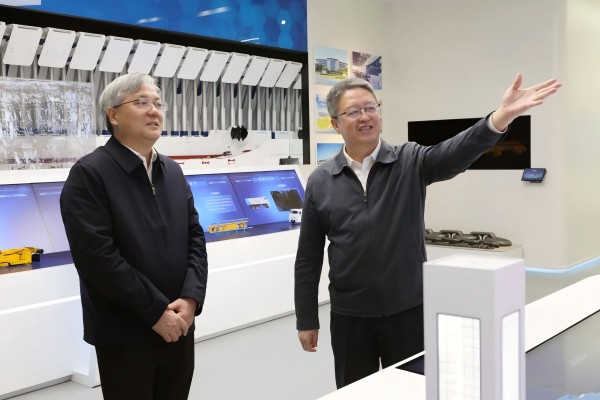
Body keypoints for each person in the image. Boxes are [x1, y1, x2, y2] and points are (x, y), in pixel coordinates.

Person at [294, 74, 561, 388]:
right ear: (335, 124)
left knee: (414, 390)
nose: (365, 116)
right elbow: (308, 256)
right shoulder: (321, 180)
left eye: (371, 107)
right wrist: (306, 318)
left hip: (408, 311)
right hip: (350, 316)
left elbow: (455, 152)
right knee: (355, 392)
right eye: (353, 111)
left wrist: (499, 118)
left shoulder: (409, 161)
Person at [60, 73, 208, 400]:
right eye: (141, 102)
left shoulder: (172, 171)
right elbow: (97, 258)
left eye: (158, 103)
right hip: (125, 334)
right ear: (113, 115)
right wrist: (155, 312)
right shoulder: (90, 174)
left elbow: (195, 238)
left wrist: (191, 298)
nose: (154, 111)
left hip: (180, 326)